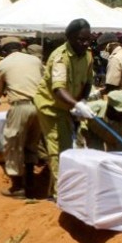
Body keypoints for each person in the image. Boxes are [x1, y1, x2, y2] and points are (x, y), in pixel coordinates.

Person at [33, 18, 95, 199]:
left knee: (67, 148)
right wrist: (76, 105)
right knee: (58, 148)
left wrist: (81, 101)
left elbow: (88, 82)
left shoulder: (88, 56)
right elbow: (58, 89)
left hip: (68, 106)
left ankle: (55, 190)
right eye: (80, 40)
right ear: (70, 38)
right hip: (50, 106)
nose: (85, 43)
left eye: (88, 39)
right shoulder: (60, 58)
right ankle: (60, 195)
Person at [0, 37, 43, 198]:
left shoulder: (2, 65)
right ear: (21, 48)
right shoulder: (35, 61)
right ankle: (31, 184)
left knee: (13, 144)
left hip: (20, 106)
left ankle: (17, 187)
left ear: (4, 51)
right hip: (39, 106)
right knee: (31, 144)